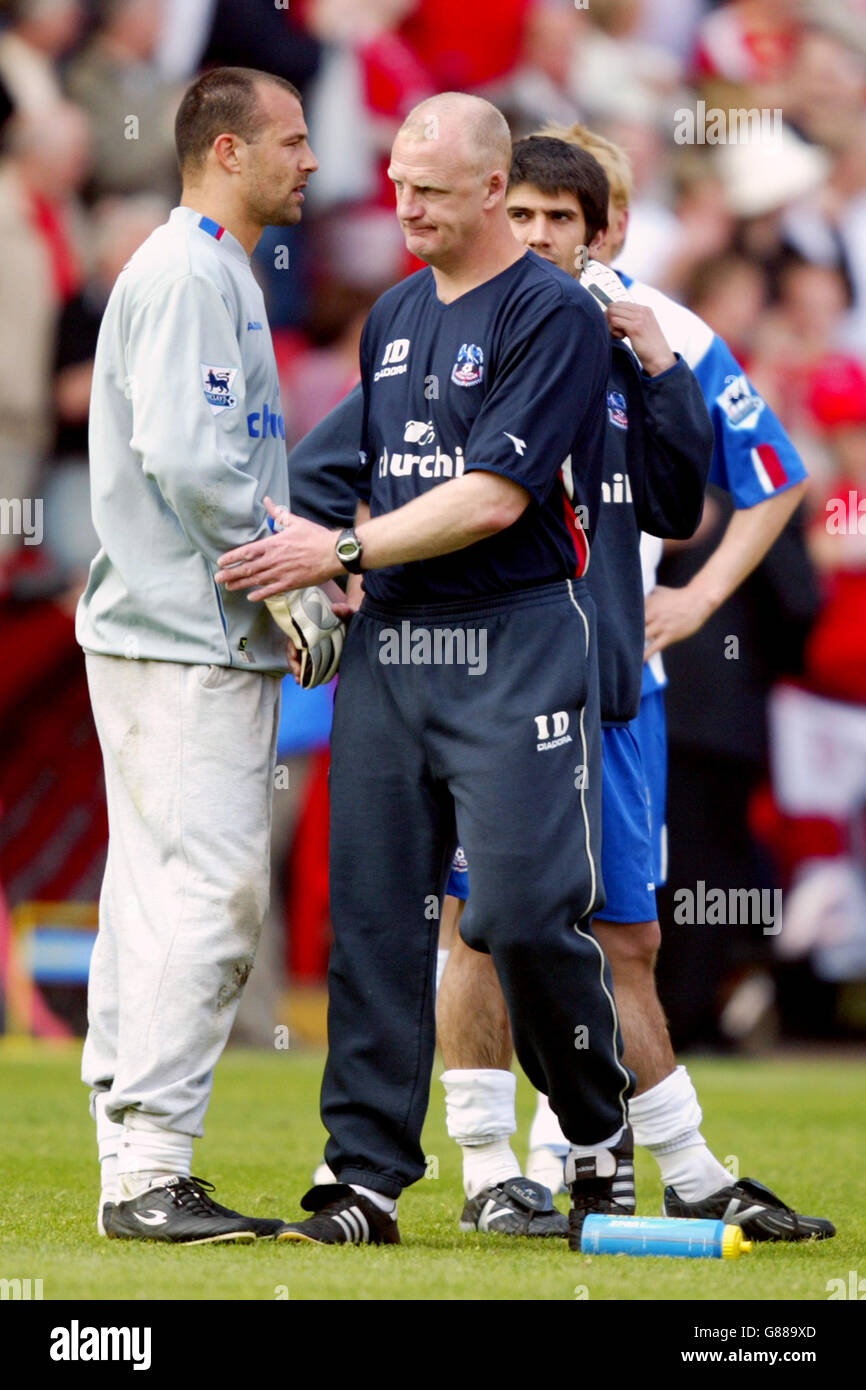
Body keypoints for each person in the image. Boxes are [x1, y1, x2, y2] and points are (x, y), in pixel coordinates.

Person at [217, 92, 635, 1247]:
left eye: (432, 189)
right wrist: (306, 566)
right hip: (394, 651)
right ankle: (362, 1179)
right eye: (397, 183)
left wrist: (342, 545)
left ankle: (594, 1134)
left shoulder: (549, 311)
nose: (402, 204)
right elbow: (343, 458)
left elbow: (493, 497)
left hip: (512, 638)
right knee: (373, 921)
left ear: (495, 189)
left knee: (518, 912)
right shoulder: (395, 310)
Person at [436, 122, 832, 1243]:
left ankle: (612, 1159)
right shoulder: (447, 316)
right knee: (476, 921)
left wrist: (698, 603)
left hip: (622, 676)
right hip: (495, 677)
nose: (547, 231)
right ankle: (486, 1164)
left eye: (571, 213)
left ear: (606, 223)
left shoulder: (661, 330)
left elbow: (770, 478)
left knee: (625, 938)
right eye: (525, 211)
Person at [76, 66, 319, 1244]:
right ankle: (150, 1171)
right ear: (225, 152)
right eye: (290, 139)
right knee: (211, 892)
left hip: (167, 626)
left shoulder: (210, 266)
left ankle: (131, 1157)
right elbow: (187, 456)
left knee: (150, 895)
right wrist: (290, 579)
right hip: (186, 634)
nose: (310, 159)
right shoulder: (186, 270)